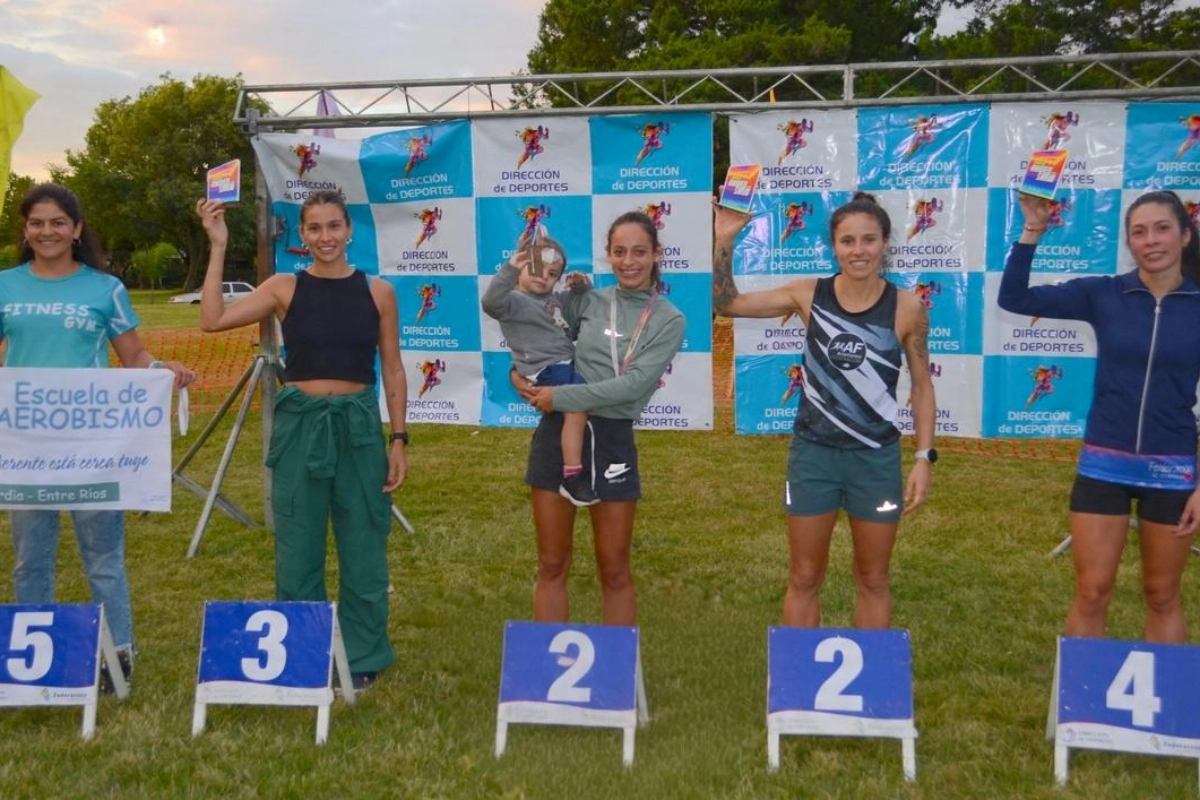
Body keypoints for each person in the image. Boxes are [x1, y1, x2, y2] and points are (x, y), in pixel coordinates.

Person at [195, 190, 408, 688]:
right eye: (314, 228)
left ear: (350, 230)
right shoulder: (283, 287)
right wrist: (218, 246)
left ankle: (363, 657)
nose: (325, 237)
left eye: (334, 226)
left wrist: (398, 439)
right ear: (303, 235)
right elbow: (211, 320)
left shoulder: (379, 292)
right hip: (300, 424)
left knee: (363, 543)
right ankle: (303, 649)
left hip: (357, 425)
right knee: (298, 543)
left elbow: (393, 368)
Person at [0, 183, 196, 691]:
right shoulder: (6, 285)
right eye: (38, 223)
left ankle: (118, 654)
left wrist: (162, 369)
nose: (47, 231)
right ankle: (31, 655)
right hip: (24, 449)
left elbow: (133, 356)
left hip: (90, 446)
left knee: (103, 554)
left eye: (58, 222)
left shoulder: (103, 288)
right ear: (26, 230)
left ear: (77, 229)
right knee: (30, 558)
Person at [713, 191, 936, 629]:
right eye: (848, 241)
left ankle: (869, 687)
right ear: (833, 246)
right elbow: (726, 305)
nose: (859, 250)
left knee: (873, 579)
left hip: (876, 458)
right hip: (813, 456)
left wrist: (924, 457)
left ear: (885, 243)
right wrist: (724, 238)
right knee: (804, 576)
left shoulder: (907, 307)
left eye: (869, 240)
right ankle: (799, 685)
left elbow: (923, 386)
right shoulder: (807, 294)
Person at [999, 190, 1200, 642]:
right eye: (1139, 232)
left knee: (1163, 594)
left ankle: (1163, 710)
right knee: (1091, 591)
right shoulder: (1104, 294)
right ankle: (1081, 707)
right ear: (1129, 242)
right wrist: (1033, 229)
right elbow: (1014, 299)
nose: (1152, 240)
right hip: (1103, 466)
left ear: (1185, 235)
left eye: (1163, 228)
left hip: (1172, 469)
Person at [513, 211, 685, 625]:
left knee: (614, 570)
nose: (629, 261)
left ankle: (617, 682)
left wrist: (562, 396)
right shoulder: (589, 299)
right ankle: (548, 677)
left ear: (657, 254)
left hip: (611, 438)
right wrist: (519, 375)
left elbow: (632, 389)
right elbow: (538, 338)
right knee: (552, 564)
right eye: (620, 252)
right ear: (608, 255)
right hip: (556, 431)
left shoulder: (669, 319)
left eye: (640, 252)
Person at [482, 234, 597, 506]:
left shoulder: (553, 300)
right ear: (522, 265)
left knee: (588, 404)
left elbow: (580, 299)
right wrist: (510, 266)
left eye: (553, 273)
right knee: (580, 406)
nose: (543, 277)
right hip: (544, 369)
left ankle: (580, 466)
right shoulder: (513, 301)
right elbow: (490, 302)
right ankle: (572, 474)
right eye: (535, 268)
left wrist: (581, 285)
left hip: (565, 364)